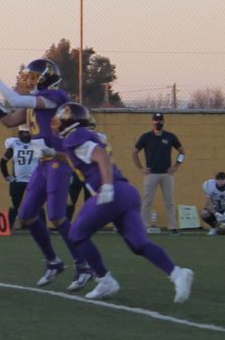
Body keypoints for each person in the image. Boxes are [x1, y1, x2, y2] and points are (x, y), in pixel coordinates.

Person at [0, 60, 94, 290]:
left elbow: (15, 100)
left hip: (59, 161)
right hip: (43, 163)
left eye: (33, 76)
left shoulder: (56, 96)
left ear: (46, 78)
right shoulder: (34, 103)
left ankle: (83, 265)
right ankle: (53, 261)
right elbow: (9, 120)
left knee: (57, 216)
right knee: (28, 215)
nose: (27, 80)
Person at [57, 104, 193, 302]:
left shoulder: (75, 137)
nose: (57, 122)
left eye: (61, 118)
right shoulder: (82, 139)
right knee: (139, 244)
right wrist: (51, 153)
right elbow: (81, 156)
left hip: (111, 192)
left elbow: (100, 156)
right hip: (127, 193)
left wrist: (106, 187)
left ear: (70, 121)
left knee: (77, 234)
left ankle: (104, 280)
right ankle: (177, 274)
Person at [132, 112, 184, 235]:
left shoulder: (170, 136)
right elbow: (134, 152)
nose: (158, 122)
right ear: (152, 121)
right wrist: (140, 168)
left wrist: (176, 166)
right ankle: (144, 226)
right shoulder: (145, 137)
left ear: (163, 121)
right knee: (147, 201)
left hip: (167, 174)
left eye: (160, 120)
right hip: (151, 174)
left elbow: (182, 152)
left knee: (169, 201)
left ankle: (172, 227)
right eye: (156, 120)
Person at [0, 127, 41, 228]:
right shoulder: (14, 144)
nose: (25, 134)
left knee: (37, 203)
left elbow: (46, 161)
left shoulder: (38, 144)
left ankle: (41, 226)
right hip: (18, 179)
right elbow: (2, 162)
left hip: (34, 179)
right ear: (19, 133)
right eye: (23, 132)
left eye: (27, 132)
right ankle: (8, 227)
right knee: (15, 204)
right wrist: (6, 176)